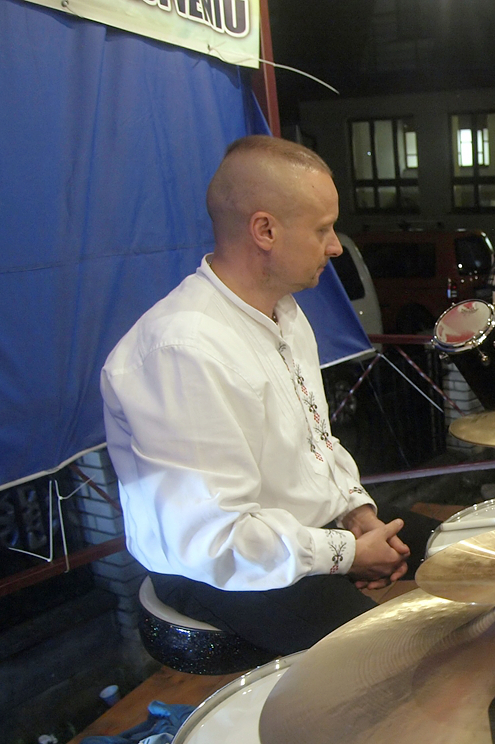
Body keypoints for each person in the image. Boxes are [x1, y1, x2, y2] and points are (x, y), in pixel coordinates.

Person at [102, 136, 432, 657]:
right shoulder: (182, 349)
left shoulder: (286, 313)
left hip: (299, 530)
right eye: (322, 229)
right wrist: (346, 553)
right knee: (391, 660)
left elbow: (317, 443)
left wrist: (356, 513)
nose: (335, 246)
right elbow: (215, 539)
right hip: (216, 568)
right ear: (265, 230)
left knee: (469, 552)